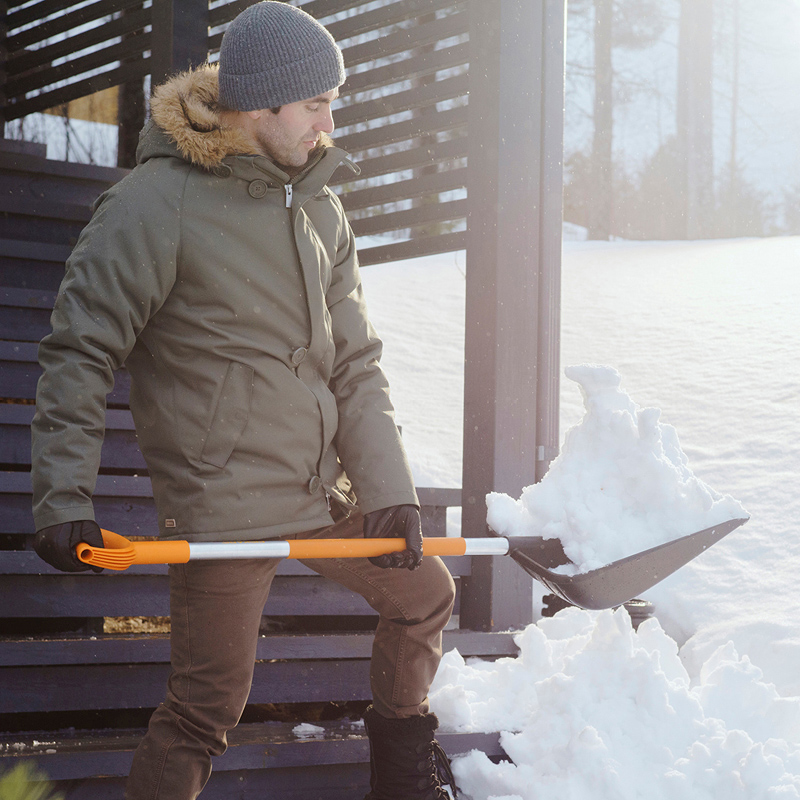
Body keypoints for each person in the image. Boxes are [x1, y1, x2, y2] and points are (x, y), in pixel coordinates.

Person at [29, 3, 458, 798]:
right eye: (317, 104)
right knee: (205, 708)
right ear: (262, 108)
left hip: (315, 488)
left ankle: (402, 782)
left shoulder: (321, 205)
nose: (331, 120)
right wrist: (62, 496)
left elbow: (357, 363)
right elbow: (81, 349)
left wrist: (390, 494)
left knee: (425, 593)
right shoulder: (156, 205)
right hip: (221, 499)